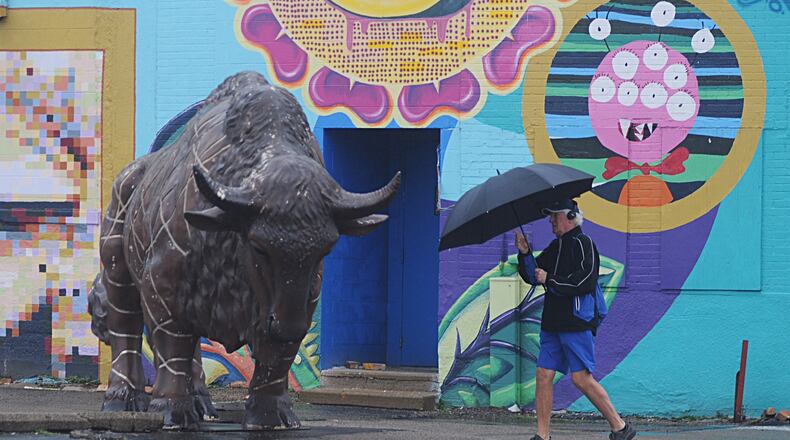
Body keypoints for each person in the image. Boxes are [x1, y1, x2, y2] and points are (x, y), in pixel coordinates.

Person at [515, 199, 636, 440]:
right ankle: (543, 435)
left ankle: (620, 427)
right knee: (543, 374)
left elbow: (584, 282)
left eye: (554, 216)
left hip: (576, 322)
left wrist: (550, 278)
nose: (550, 221)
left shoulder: (584, 244)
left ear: (570, 216)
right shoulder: (555, 246)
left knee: (581, 378)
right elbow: (533, 275)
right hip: (552, 323)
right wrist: (525, 254)